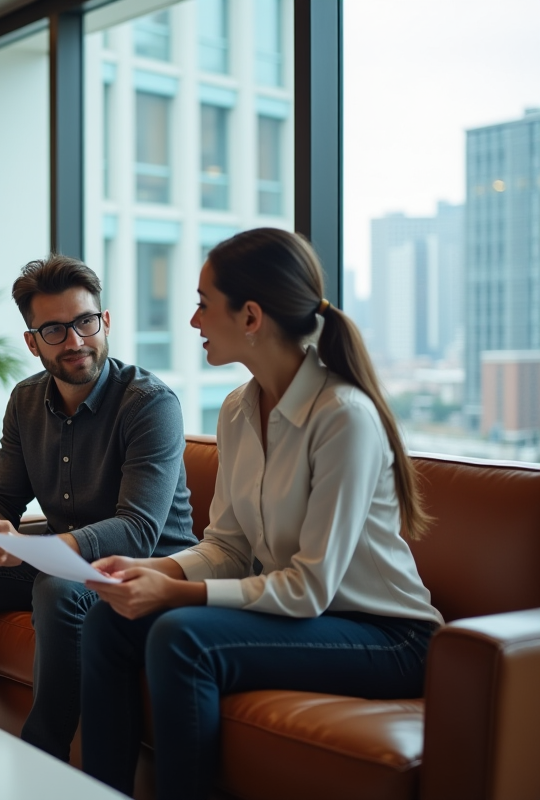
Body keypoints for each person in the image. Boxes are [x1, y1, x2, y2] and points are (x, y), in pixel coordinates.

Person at [79, 228, 444, 799]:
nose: (194, 321)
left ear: (250, 317)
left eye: (203, 304)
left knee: (182, 637)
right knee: (108, 620)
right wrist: (159, 572)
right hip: (308, 619)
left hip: (389, 638)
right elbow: (227, 546)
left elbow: (309, 589)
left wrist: (178, 595)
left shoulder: (343, 416)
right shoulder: (237, 409)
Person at [0, 254, 197, 762]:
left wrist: (36, 551)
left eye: (85, 321)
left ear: (105, 320)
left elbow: (138, 531)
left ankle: (41, 757)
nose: (75, 341)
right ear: (31, 341)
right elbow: (3, 496)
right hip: (59, 562)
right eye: (54, 329)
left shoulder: (150, 403)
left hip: (142, 571)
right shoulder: (26, 401)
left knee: (57, 585)